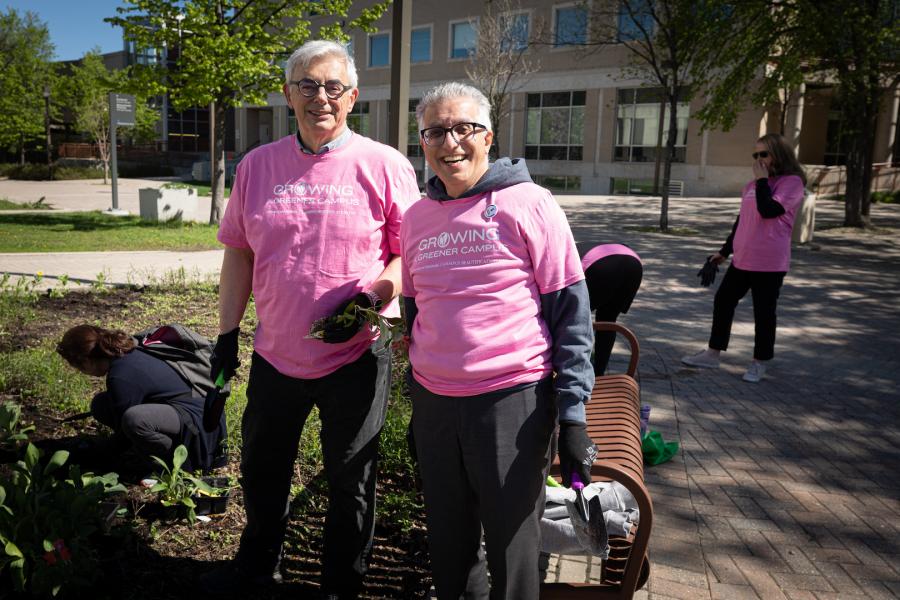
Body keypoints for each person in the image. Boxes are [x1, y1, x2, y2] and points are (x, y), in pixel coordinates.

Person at [198, 40, 419, 599]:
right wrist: (227, 334)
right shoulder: (257, 165)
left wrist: (374, 298)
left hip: (357, 355)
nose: (321, 97)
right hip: (277, 354)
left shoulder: (385, 164)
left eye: (334, 87)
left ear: (353, 97)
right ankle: (256, 570)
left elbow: (408, 253)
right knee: (263, 471)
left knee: (352, 482)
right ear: (287, 93)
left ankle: (341, 585)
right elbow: (239, 253)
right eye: (308, 85)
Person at [401, 82, 595, 600]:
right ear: (424, 143)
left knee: (512, 549)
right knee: (449, 544)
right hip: (435, 404)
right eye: (436, 131)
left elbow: (572, 313)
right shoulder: (416, 218)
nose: (451, 142)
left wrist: (573, 416)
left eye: (463, 128)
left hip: (513, 402)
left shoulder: (529, 203)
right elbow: (415, 307)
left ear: (488, 135)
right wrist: (416, 399)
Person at [682, 132, 806, 383]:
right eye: (755, 154)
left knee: (764, 313)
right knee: (724, 301)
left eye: (764, 154)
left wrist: (762, 182)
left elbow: (769, 210)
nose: (759, 159)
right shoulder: (751, 186)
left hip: (769, 262)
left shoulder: (791, 183)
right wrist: (724, 251)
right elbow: (742, 221)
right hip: (743, 258)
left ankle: (759, 362)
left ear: (778, 155)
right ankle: (713, 354)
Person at [56, 324, 226, 474]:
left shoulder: (120, 376)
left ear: (85, 361)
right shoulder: (130, 350)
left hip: (200, 426)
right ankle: (148, 454)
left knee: (135, 421)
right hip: (202, 411)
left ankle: (178, 466)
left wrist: (92, 454)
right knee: (102, 404)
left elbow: (124, 436)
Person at [581, 244, 643, 375]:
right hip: (633, 262)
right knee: (608, 320)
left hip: (600, 265)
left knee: (576, 320)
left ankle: (578, 371)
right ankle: (599, 373)